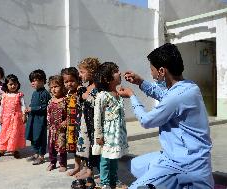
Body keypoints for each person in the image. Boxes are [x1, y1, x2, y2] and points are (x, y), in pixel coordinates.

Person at [118, 43, 214, 189]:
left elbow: (146, 121)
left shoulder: (177, 96)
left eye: (152, 70)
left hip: (185, 162)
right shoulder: (188, 86)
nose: (151, 73)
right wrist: (140, 82)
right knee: (134, 165)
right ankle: (164, 181)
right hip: (172, 155)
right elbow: (163, 94)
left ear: (162, 71)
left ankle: (174, 182)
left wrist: (132, 96)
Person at [93, 62, 129, 189]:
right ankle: (104, 182)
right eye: (115, 71)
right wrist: (98, 135)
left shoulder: (118, 94)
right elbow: (97, 117)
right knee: (105, 160)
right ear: (107, 78)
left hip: (117, 134)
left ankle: (114, 180)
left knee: (115, 157)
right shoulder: (102, 96)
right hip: (107, 134)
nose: (119, 73)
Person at [75, 57, 101, 180]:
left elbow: (96, 102)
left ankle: (90, 171)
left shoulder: (97, 87)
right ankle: (86, 168)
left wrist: (85, 96)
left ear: (92, 72)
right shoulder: (88, 86)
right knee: (85, 145)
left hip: (94, 123)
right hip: (85, 121)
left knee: (92, 147)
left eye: (82, 72)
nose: (80, 75)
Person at [0, 74, 26, 159]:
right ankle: (1, 150)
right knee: (3, 133)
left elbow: (23, 106)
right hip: (6, 118)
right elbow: (2, 107)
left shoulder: (19, 95)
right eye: (10, 84)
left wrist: (24, 115)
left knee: (14, 134)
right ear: (6, 85)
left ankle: (14, 150)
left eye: (15, 84)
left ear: (18, 84)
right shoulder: (4, 95)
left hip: (16, 119)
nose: (13, 86)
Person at [25, 70, 51, 165]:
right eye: (31, 80)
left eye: (35, 80)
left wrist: (33, 109)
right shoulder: (34, 93)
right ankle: (36, 153)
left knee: (40, 137)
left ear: (42, 81)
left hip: (40, 120)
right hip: (33, 118)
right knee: (33, 136)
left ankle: (41, 156)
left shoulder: (45, 93)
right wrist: (28, 110)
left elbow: (46, 107)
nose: (32, 82)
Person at [60, 67, 82, 177]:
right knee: (75, 148)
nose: (69, 83)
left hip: (81, 126)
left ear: (78, 80)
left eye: (72, 81)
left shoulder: (80, 92)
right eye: (66, 81)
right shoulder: (68, 93)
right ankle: (77, 167)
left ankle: (86, 168)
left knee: (82, 147)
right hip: (71, 127)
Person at [47, 75, 67, 172]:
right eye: (51, 87)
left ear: (62, 87)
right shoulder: (51, 100)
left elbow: (69, 113)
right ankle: (52, 162)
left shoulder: (65, 100)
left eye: (56, 86)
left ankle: (63, 163)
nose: (53, 89)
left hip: (61, 128)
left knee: (62, 146)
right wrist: (48, 123)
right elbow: (48, 112)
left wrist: (66, 121)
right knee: (51, 146)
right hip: (52, 128)